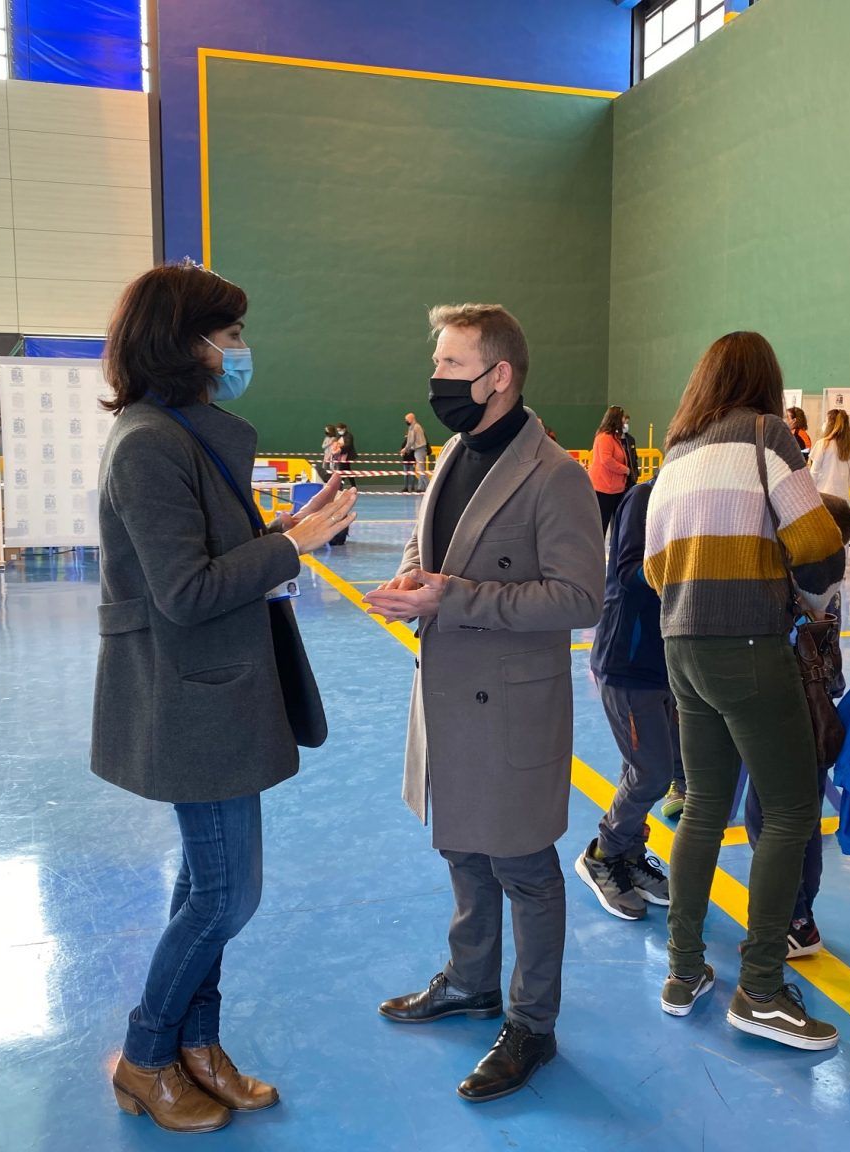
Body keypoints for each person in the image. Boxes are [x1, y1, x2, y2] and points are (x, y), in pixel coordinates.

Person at [93, 262, 357, 1134]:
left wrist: (285, 529)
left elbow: (209, 554)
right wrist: (294, 547)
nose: (241, 350)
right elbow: (186, 590)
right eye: (231, 334)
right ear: (187, 343)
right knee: (226, 896)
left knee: (206, 884)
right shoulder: (148, 444)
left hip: (215, 691)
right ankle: (146, 1056)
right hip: (193, 699)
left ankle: (197, 1047)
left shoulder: (179, 433)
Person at [364, 303, 603, 1103]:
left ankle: (532, 1024)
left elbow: (580, 597)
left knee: (524, 867)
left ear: (499, 376)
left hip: (511, 705)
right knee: (462, 847)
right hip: (449, 693)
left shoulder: (556, 475)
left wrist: (455, 597)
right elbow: (429, 543)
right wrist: (411, 577)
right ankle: (471, 982)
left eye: (451, 365)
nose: (436, 379)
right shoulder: (452, 454)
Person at [643, 331, 844, 1050]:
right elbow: (817, 545)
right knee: (790, 810)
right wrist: (808, 598)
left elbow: (653, 566)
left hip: (681, 646)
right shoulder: (767, 437)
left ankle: (683, 970)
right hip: (751, 645)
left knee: (703, 805)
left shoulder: (677, 454)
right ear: (765, 381)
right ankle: (759, 988)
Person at [740, 492, 850, 959]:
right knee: (802, 819)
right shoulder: (831, 580)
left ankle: (791, 919)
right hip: (818, 709)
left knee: (768, 818)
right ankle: (801, 918)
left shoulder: (802, 585)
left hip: (792, 709)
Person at [575, 478, 681, 920]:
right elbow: (627, 571)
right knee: (652, 772)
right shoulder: (644, 497)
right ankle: (603, 854)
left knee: (645, 765)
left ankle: (630, 853)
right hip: (628, 662)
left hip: (666, 662)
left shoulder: (691, 497)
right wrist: (693, 563)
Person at [591, 405, 633, 532]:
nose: (624, 422)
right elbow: (606, 460)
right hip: (604, 490)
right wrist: (625, 470)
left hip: (615, 489)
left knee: (617, 525)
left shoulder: (614, 438)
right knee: (602, 526)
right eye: (622, 419)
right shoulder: (605, 438)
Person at [808, 408, 850, 500]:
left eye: (825, 421)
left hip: (824, 495)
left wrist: (809, 493)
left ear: (830, 424)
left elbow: (814, 472)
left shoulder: (823, 444)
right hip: (843, 497)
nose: (824, 424)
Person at [401, 411, 429, 493]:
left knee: (421, 470)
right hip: (421, 450)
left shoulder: (413, 427)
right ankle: (421, 488)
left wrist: (405, 449)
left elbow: (410, 441)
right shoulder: (418, 426)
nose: (406, 421)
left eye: (406, 419)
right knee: (421, 469)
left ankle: (430, 486)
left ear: (411, 419)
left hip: (419, 450)